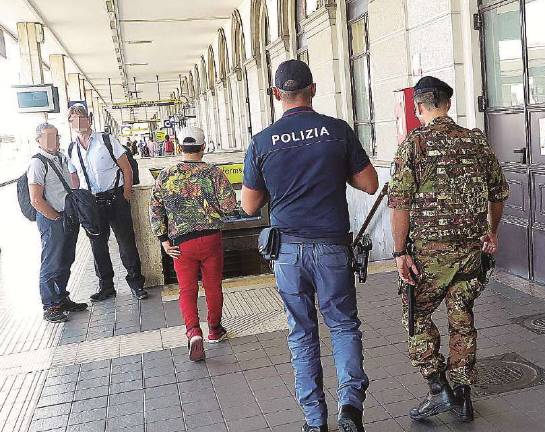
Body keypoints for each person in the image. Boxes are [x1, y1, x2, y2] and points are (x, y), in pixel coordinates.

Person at [241, 59, 378, 432]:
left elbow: (250, 205)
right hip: (332, 246)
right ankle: (350, 407)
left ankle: (314, 421)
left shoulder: (262, 142)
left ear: (275, 95)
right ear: (313, 90)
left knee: (301, 333)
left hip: (287, 251)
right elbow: (369, 184)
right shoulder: (337, 132)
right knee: (344, 326)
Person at [388, 76, 509, 423]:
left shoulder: (414, 144)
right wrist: (491, 231)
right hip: (471, 253)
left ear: (419, 107)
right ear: (448, 104)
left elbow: (400, 203)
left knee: (416, 316)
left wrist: (399, 253)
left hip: (430, 256)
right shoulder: (475, 141)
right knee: (462, 319)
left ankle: (437, 387)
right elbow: (498, 192)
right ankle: (463, 395)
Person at [150, 126, 237, 362]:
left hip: (181, 244)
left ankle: (193, 332)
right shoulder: (214, 173)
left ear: (179, 148)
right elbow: (230, 206)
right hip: (210, 240)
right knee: (213, 287)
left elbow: (156, 209)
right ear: (203, 147)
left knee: (187, 290)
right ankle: (214, 329)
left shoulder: (166, 175)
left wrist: (163, 240)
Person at [66, 104, 149, 301]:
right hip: (91, 204)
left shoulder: (106, 140)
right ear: (69, 124)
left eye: (81, 117)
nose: (78, 122)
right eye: (73, 119)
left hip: (115, 198)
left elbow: (126, 168)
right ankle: (106, 286)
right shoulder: (71, 149)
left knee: (126, 242)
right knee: (98, 246)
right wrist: (79, 201)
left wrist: (126, 193)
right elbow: (74, 177)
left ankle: (136, 284)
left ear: (89, 119)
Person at [28, 123, 89, 323]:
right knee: (52, 263)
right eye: (48, 137)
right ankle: (50, 306)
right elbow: (35, 199)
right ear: (38, 140)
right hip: (52, 220)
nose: (54, 141)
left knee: (66, 260)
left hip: (67, 216)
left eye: (56, 136)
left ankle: (62, 298)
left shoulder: (61, 157)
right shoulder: (38, 163)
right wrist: (55, 217)